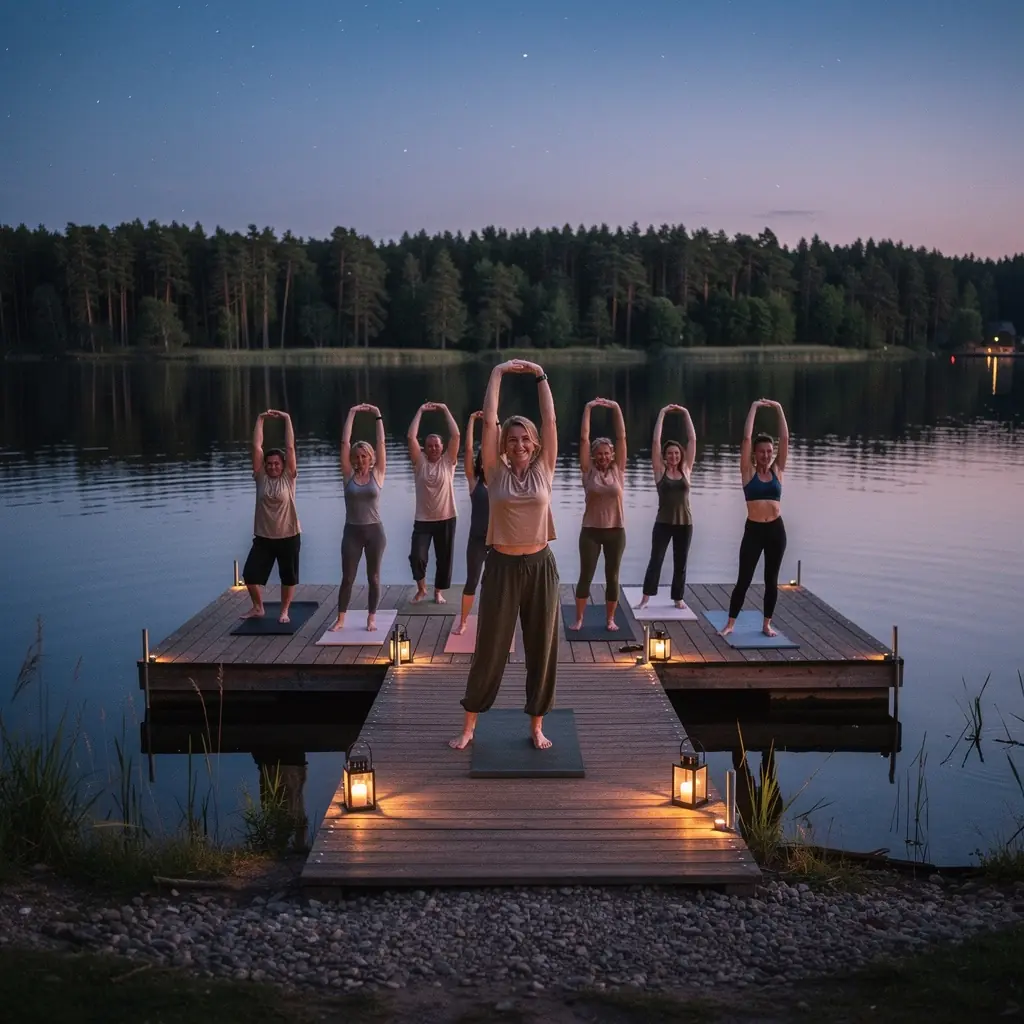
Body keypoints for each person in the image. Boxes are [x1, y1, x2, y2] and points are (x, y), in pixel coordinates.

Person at [449, 359, 559, 752]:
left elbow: (550, 421)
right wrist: (497, 373)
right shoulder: (494, 471)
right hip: (502, 567)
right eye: (512, 440)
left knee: (542, 648)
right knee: (490, 648)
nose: (519, 445)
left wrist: (540, 376)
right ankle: (470, 725)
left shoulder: (545, 468)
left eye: (525, 439)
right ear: (502, 446)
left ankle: (537, 725)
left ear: (535, 443)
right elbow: (490, 418)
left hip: (541, 566)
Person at [720, 398, 790, 638]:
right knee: (744, 579)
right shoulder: (747, 472)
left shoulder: (777, 471)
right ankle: (730, 623)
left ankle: (766, 624)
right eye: (762, 452)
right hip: (754, 531)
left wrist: (779, 409)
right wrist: (754, 408)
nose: (766, 455)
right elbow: (747, 439)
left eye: (769, 451)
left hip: (775, 531)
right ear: (755, 454)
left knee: (771, 580)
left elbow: (785, 439)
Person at [569, 397, 626, 633]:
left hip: (616, 530)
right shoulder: (587, 471)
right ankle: (579, 619)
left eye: (606, 453)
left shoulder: (618, 469)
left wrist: (616, 408)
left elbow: (622, 437)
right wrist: (588, 408)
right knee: (586, 575)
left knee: (612, 576)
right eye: (599, 454)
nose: (603, 457)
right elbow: (583, 438)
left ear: (612, 454)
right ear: (593, 456)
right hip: (590, 531)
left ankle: (610, 619)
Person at [330, 403, 387, 633]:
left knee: (373, 577)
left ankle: (371, 618)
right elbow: (344, 443)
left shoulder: (378, 474)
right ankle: (341, 619)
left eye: (365, 456)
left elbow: (382, 443)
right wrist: (351, 413)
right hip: (352, 532)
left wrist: (377, 415)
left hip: (375, 532)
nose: (361, 459)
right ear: (353, 458)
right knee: (348, 578)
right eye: (358, 456)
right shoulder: (347, 476)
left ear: (370, 458)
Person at [241, 409, 300, 623]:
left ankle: (284, 611)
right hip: (264, 537)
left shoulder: (288, 478)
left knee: (288, 576)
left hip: (289, 535)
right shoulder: (261, 478)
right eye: (269, 463)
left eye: (277, 463)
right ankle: (258, 607)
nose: (273, 466)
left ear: (283, 465)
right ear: (264, 466)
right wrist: (260, 419)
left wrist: (287, 418)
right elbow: (257, 446)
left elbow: (291, 447)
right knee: (249, 575)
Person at [639, 404, 696, 609]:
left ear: (681, 455)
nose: (673, 457)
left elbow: (692, 440)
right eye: (670, 454)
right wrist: (662, 413)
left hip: (685, 524)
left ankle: (678, 597)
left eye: (676, 454)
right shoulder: (659, 471)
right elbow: (655, 441)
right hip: (663, 523)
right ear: (665, 456)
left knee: (681, 563)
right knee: (656, 560)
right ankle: (646, 597)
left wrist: (685, 413)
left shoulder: (686, 470)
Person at [407, 402, 460, 604]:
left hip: (446, 517)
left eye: (437, 445)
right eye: (430, 446)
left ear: (442, 447)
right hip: (423, 520)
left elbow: (456, 436)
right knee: (417, 556)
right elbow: (411, 437)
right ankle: (421, 589)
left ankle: (438, 591)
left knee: (444, 559)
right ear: (425, 448)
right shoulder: (419, 462)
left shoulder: (448, 461)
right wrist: (419, 411)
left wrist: (446, 410)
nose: (434, 448)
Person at [454, 410, 491, 636]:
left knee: (495, 585)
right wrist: (471, 421)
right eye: (482, 460)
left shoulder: (501, 482)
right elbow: (467, 450)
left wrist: (494, 422)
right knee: (472, 581)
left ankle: (494, 622)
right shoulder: (473, 481)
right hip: (477, 539)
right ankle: (464, 622)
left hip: (498, 541)